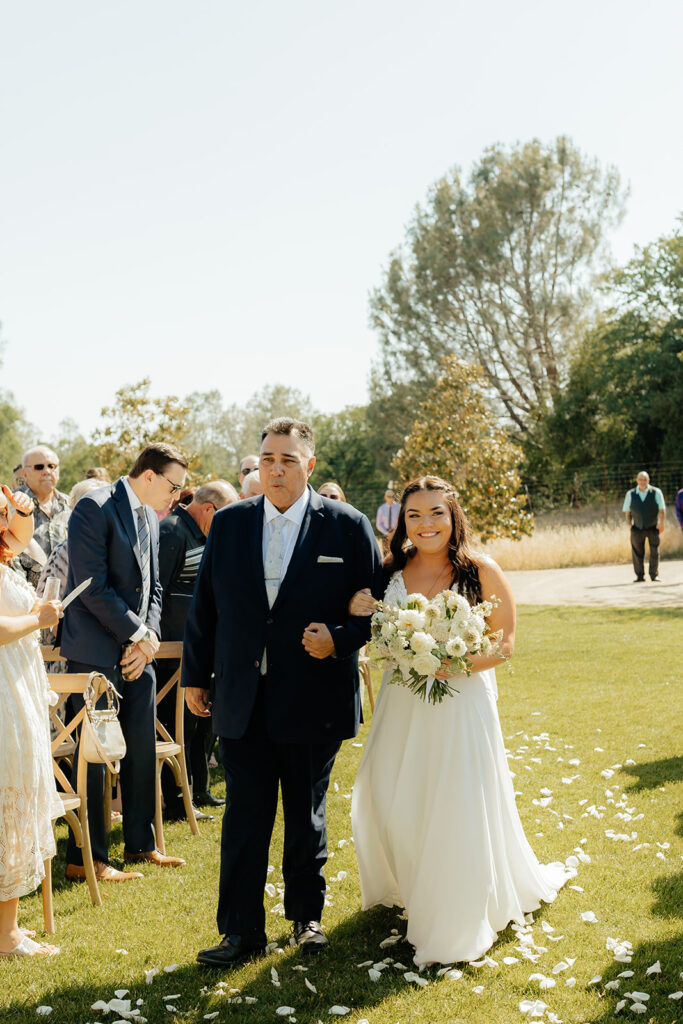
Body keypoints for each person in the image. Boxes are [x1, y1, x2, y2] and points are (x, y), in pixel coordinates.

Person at [183, 417, 383, 967]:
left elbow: (377, 611)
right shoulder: (229, 524)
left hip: (315, 696)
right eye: (268, 458)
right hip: (242, 696)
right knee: (244, 817)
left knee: (306, 814)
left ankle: (305, 921)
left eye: (288, 460)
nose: (275, 469)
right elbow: (206, 609)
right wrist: (197, 677)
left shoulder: (347, 525)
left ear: (310, 465)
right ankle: (241, 932)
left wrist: (339, 640)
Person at [350, 476, 573, 966]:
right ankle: (414, 884)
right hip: (402, 701)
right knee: (386, 793)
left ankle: (452, 910)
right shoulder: (391, 568)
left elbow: (505, 644)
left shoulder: (480, 570)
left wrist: (452, 665)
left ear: (454, 518)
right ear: (402, 522)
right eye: (414, 515)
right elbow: (363, 617)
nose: (426, 524)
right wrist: (363, 616)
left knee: (454, 801)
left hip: (460, 699)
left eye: (436, 513)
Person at [60, 443, 189, 883]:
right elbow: (91, 586)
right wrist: (136, 634)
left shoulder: (150, 518)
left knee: (139, 746)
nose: (176, 498)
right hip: (95, 651)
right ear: (149, 476)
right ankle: (87, 859)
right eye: (173, 486)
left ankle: (140, 844)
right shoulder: (93, 508)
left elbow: (154, 588)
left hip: (138, 653)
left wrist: (146, 640)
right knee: (95, 758)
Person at [0, 483, 63, 958]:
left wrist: (18, 509)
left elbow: (21, 537)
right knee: (7, 806)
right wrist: (39, 619)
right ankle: (5, 936)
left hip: (16, 685)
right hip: (3, 694)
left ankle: (8, 928)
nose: (7, 522)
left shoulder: (5, 557)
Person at [158, 480, 238, 820]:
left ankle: (195, 791)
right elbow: (156, 590)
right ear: (208, 509)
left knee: (196, 723)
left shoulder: (202, 535)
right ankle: (175, 802)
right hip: (168, 650)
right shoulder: (172, 531)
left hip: (194, 648)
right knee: (172, 726)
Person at [15, 445, 71, 588]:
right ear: (24, 473)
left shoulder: (71, 505)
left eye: (51, 466)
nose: (47, 471)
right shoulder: (11, 505)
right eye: (39, 467)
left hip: (67, 595)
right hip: (27, 595)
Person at [623, 471, 666, 581]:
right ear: (637, 480)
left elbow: (662, 510)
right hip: (637, 528)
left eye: (645, 479)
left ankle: (654, 575)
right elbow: (627, 512)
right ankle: (640, 576)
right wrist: (629, 525)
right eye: (640, 479)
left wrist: (661, 523)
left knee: (654, 552)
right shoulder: (630, 494)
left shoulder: (656, 492)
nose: (643, 482)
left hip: (653, 527)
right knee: (637, 552)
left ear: (648, 480)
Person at [376, 488, 399, 553]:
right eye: (389, 496)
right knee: (386, 554)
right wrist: (387, 533)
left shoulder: (399, 508)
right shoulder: (381, 509)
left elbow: (400, 522)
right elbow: (378, 524)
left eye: (392, 496)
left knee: (396, 553)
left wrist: (394, 532)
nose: (391, 498)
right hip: (385, 534)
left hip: (396, 534)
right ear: (385, 497)